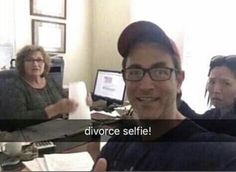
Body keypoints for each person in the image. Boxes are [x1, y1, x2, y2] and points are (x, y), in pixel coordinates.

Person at [93, 21, 236, 171]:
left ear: (179, 80)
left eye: (160, 72)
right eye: (134, 72)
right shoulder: (117, 144)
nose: (145, 86)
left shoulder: (218, 156)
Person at [2, 45, 91, 131]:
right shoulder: (14, 85)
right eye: (30, 60)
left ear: (45, 63)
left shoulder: (50, 80)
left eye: (39, 60)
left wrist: (81, 100)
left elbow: (62, 98)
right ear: (22, 64)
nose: (35, 64)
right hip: (29, 137)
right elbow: (15, 120)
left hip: (56, 130)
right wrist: (53, 110)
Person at [179, 55, 236, 135]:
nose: (216, 90)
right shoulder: (214, 114)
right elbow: (197, 123)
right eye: (212, 82)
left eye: (226, 83)